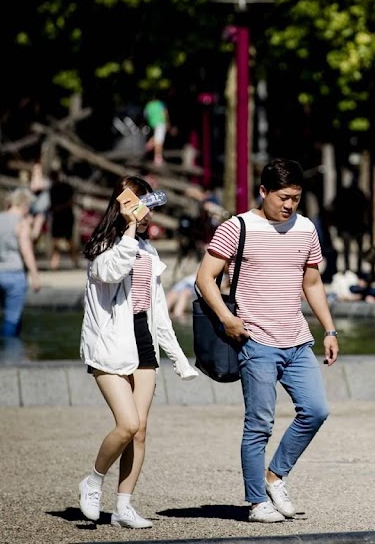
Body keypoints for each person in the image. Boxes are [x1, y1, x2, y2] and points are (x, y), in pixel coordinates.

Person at [195, 158, 339, 523]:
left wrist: (329, 329)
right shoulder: (236, 227)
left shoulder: (306, 229)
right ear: (264, 191)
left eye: (296, 197)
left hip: (297, 339)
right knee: (259, 423)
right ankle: (257, 501)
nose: (289, 205)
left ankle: (275, 476)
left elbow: (312, 283)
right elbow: (204, 278)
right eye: (283, 197)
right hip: (255, 340)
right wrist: (228, 319)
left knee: (316, 410)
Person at [77, 176, 199, 528]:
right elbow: (113, 272)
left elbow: (157, 308)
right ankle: (94, 480)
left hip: (142, 341)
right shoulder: (103, 245)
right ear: (122, 205)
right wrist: (129, 229)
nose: (146, 214)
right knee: (127, 424)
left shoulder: (147, 248)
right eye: (138, 205)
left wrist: (177, 356)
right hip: (109, 345)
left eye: (148, 207)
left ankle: (123, 506)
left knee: (141, 429)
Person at [0, 187, 41, 337]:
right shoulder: (21, 223)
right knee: (12, 318)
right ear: (25, 205)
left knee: (11, 312)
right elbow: (26, 251)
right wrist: (35, 276)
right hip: (13, 275)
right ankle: (9, 353)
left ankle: (16, 346)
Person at [328, 168, 370, 275]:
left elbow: (366, 209)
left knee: (354, 249)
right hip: (348, 225)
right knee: (350, 249)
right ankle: (351, 269)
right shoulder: (352, 193)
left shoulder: (354, 193)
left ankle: (354, 269)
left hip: (354, 225)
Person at [48, 169, 79, 270]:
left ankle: (74, 261)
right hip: (60, 216)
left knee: (68, 240)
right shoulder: (52, 189)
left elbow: (71, 201)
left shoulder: (64, 187)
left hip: (65, 216)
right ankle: (55, 263)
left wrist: (60, 208)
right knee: (57, 240)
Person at [142, 97, 169, 165]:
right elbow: (164, 113)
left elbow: (145, 115)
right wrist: (167, 123)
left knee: (156, 138)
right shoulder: (160, 104)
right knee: (159, 141)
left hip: (152, 123)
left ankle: (149, 145)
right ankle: (158, 158)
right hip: (160, 122)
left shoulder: (148, 105)